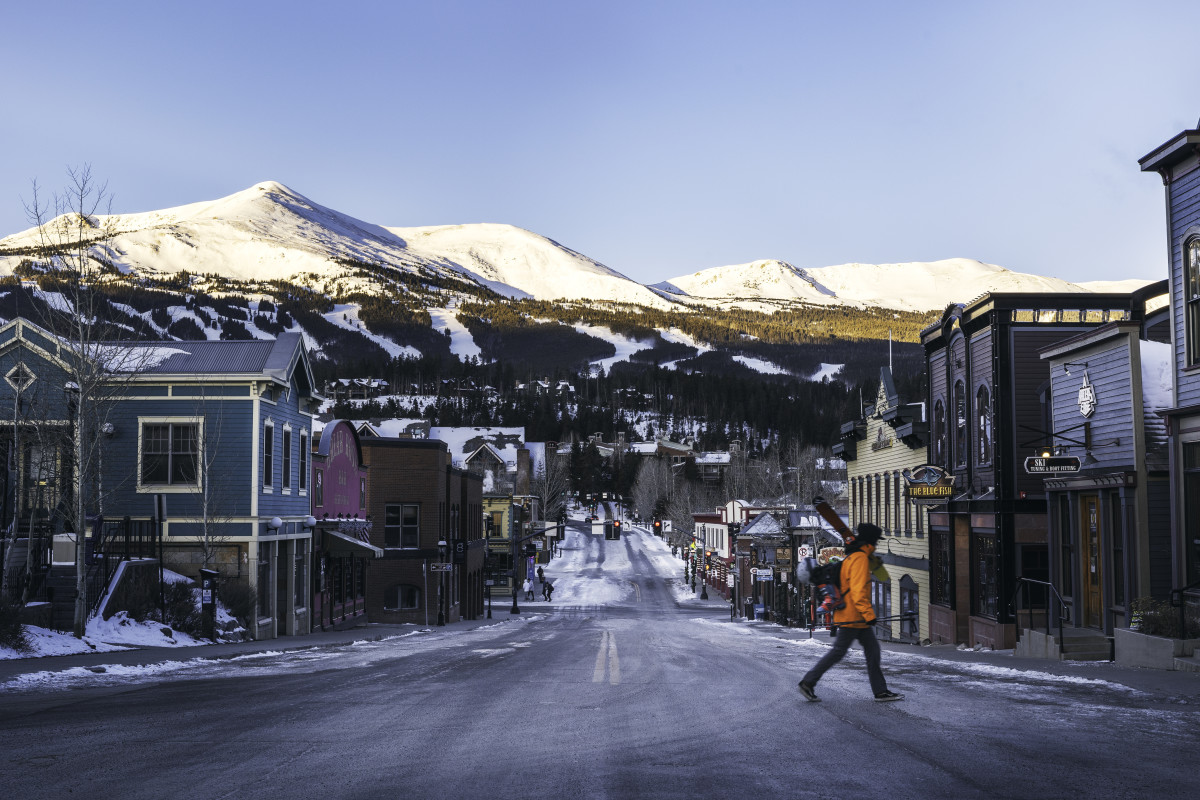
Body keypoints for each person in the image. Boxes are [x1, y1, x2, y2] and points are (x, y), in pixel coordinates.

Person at [798, 522, 903, 703]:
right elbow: (857, 591)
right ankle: (808, 682)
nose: (877, 545)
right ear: (870, 541)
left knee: (873, 650)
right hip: (853, 616)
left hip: (855, 617)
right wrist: (869, 615)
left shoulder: (854, 556)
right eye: (876, 541)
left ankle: (880, 691)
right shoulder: (860, 559)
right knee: (838, 652)